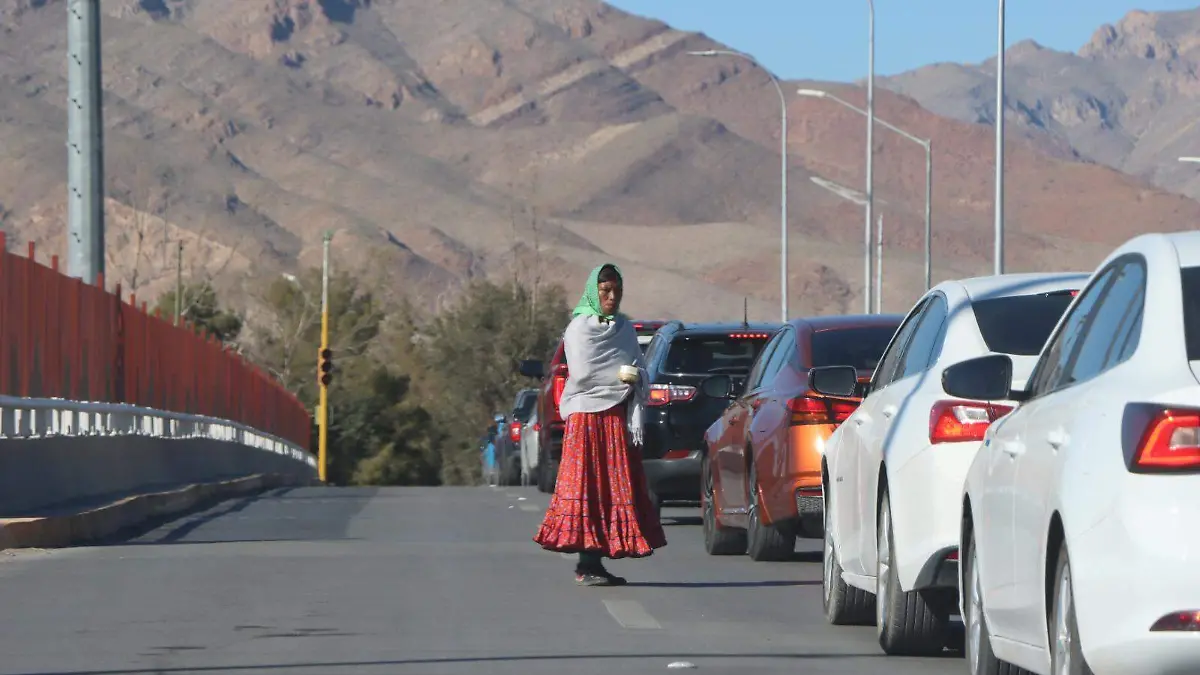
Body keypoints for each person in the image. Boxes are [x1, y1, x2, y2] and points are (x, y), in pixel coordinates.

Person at [533, 263, 667, 586]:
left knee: (610, 487)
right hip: (586, 417)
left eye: (616, 291)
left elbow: (638, 365)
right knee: (587, 485)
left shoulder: (624, 329)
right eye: (605, 291)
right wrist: (617, 379)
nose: (611, 297)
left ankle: (596, 561)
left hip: (615, 417)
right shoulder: (579, 329)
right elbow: (583, 374)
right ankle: (586, 563)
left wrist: (635, 377)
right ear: (594, 292)